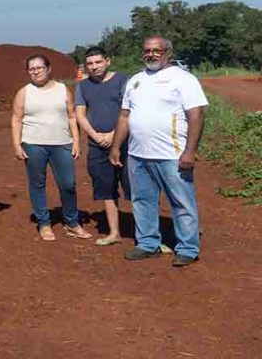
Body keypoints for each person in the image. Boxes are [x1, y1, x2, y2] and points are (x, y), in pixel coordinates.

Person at [110, 36, 208, 267]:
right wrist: (116, 146)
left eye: (156, 50)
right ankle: (147, 243)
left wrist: (190, 151)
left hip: (172, 155)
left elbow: (196, 115)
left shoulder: (183, 79)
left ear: (168, 53)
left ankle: (187, 248)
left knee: (182, 202)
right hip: (138, 154)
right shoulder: (135, 80)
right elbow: (124, 116)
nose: (151, 54)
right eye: (147, 50)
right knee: (142, 201)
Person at [11, 55, 92, 241]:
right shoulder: (24, 92)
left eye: (39, 67)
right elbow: (16, 119)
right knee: (37, 184)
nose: (36, 71)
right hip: (33, 144)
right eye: (31, 69)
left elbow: (72, 117)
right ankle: (44, 223)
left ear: (48, 68)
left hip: (62, 143)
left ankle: (72, 222)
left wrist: (76, 142)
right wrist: (17, 144)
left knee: (68, 185)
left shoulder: (63, 90)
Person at [74, 46, 130, 246]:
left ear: (108, 61)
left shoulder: (123, 81)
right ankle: (114, 232)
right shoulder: (83, 86)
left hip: (125, 144)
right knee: (107, 189)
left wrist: (114, 134)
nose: (94, 67)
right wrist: (97, 136)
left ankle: (148, 235)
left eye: (98, 62)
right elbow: (80, 114)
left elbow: (129, 110)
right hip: (97, 146)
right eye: (90, 64)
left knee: (136, 189)